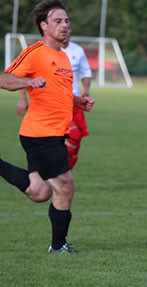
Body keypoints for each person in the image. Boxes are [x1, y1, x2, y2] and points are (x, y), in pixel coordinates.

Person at [0, 0, 95, 253]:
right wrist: (27, 84)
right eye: (58, 21)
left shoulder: (63, 57)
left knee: (40, 192)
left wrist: (78, 101)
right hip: (40, 132)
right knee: (65, 184)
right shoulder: (36, 52)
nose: (65, 26)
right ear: (44, 25)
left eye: (67, 21)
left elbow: (60, 92)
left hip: (55, 132)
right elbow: (5, 79)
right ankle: (58, 246)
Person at [16, 25, 93, 169]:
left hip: (74, 102)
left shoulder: (77, 51)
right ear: (45, 26)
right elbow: (19, 76)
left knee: (76, 138)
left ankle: (60, 173)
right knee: (62, 139)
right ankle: (57, 173)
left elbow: (86, 72)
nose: (66, 29)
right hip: (50, 104)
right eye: (59, 22)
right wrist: (22, 98)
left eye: (68, 25)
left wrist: (86, 89)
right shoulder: (39, 51)